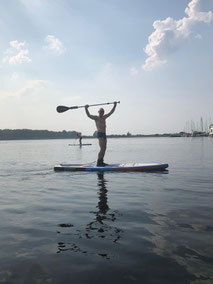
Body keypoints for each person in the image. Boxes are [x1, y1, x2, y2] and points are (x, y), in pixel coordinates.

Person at [85, 102, 117, 166]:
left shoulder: (104, 117)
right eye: (100, 112)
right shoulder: (96, 118)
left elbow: (111, 112)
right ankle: (99, 162)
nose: (102, 113)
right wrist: (86, 109)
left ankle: (101, 161)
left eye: (102, 112)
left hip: (104, 134)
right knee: (102, 148)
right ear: (98, 112)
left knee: (104, 148)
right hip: (100, 134)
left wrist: (115, 105)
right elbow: (88, 115)